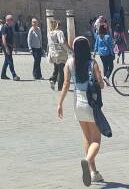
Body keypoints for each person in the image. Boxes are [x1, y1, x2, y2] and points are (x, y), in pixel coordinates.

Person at [57, 35, 106, 186]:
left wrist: (59, 104)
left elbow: (65, 84)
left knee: (86, 137)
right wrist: (101, 80)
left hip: (77, 103)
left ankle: (94, 172)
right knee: (96, 139)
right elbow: (101, 84)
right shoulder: (93, 63)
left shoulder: (70, 62)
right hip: (91, 104)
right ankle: (88, 160)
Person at [47, 18, 69, 91]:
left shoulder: (49, 33)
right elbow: (62, 42)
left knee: (56, 68)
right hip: (60, 54)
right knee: (61, 71)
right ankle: (60, 87)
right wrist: (68, 49)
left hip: (53, 54)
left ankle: (52, 80)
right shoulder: (59, 32)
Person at [0, 14, 20, 81]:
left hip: (10, 46)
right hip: (6, 46)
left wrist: (14, 47)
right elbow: (3, 39)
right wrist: (6, 48)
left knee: (7, 61)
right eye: (11, 20)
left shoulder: (10, 27)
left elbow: (12, 37)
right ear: (8, 20)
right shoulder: (4, 27)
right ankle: (14, 75)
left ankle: (3, 75)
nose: (12, 21)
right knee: (10, 60)